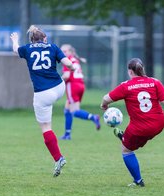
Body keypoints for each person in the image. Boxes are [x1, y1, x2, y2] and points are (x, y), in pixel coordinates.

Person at [100, 58, 164, 187]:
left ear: (130, 71)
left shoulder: (126, 86)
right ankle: (126, 137)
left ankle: (138, 181)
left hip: (140, 127)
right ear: (142, 69)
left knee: (126, 150)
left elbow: (106, 98)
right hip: (158, 124)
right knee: (136, 139)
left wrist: (104, 105)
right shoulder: (154, 82)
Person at [10, 25, 75, 177]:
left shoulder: (27, 49)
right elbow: (68, 63)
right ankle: (58, 159)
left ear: (31, 40)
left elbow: (15, 49)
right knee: (50, 105)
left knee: (46, 128)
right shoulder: (52, 46)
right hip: (59, 88)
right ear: (44, 38)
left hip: (43, 94)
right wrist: (72, 69)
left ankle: (58, 158)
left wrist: (14, 40)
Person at [59, 44, 100, 140]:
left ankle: (93, 117)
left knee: (74, 111)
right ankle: (67, 134)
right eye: (62, 51)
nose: (63, 53)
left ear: (70, 52)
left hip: (73, 86)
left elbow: (66, 76)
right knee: (67, 109)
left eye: (65, 51)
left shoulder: (67, 60)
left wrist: (57, 82)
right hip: (80, 85)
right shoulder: (74, 59)